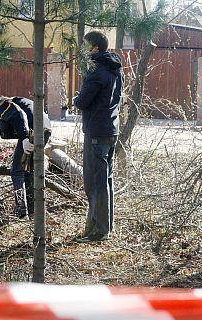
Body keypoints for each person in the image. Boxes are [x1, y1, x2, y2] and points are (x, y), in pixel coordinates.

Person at [73, 30, 123, 243]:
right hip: (111, 130)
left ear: (94, 48)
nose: (82, 49)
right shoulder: (115, 68)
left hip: (96, 132)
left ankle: (99, 232)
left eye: (84, 45)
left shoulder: (97, 71)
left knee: (95, 182)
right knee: (105, 181)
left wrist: (76, 99)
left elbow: (83, 101)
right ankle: (104, 227)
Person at [0, 96, 52, 219]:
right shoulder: (25, 102)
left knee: (17, 171)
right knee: (28, 172)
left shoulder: (6, 104)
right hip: (44, 130)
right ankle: (32, 212)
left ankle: (21, 212)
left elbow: (18, 116)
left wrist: (24, 138)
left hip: (31, 131)